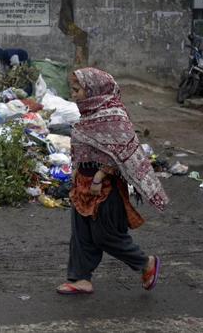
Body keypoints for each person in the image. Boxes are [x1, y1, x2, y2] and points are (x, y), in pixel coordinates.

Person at [56, 67, 169, 295]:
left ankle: (145, 263)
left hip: (104, 187)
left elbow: (121, 154)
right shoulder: (88, 115)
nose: (74, 94)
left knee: (104, 235)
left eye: (78, 90)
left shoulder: (114, 116)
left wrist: (99, 177)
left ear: (94, 89)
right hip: (83, 184)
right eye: (74, 89)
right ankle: (80, 279)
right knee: (81, 234)